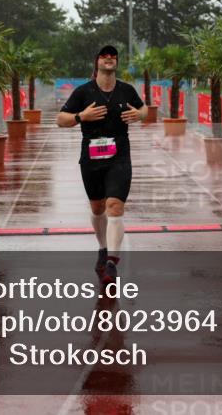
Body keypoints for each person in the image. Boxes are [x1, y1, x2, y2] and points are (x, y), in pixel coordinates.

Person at [57, 45, 146, 285]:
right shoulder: (83, 92)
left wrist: (140, 115)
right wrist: (80, 117)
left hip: (120, 157)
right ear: (96, 62)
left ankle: (112, 262)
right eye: (105, 56)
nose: (109, 58)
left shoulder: (127, 90)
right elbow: (60, 120)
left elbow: (144, 109)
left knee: (115, 206)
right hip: (91, 159)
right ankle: (103, 247)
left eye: (113, 56)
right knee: (97, 208)